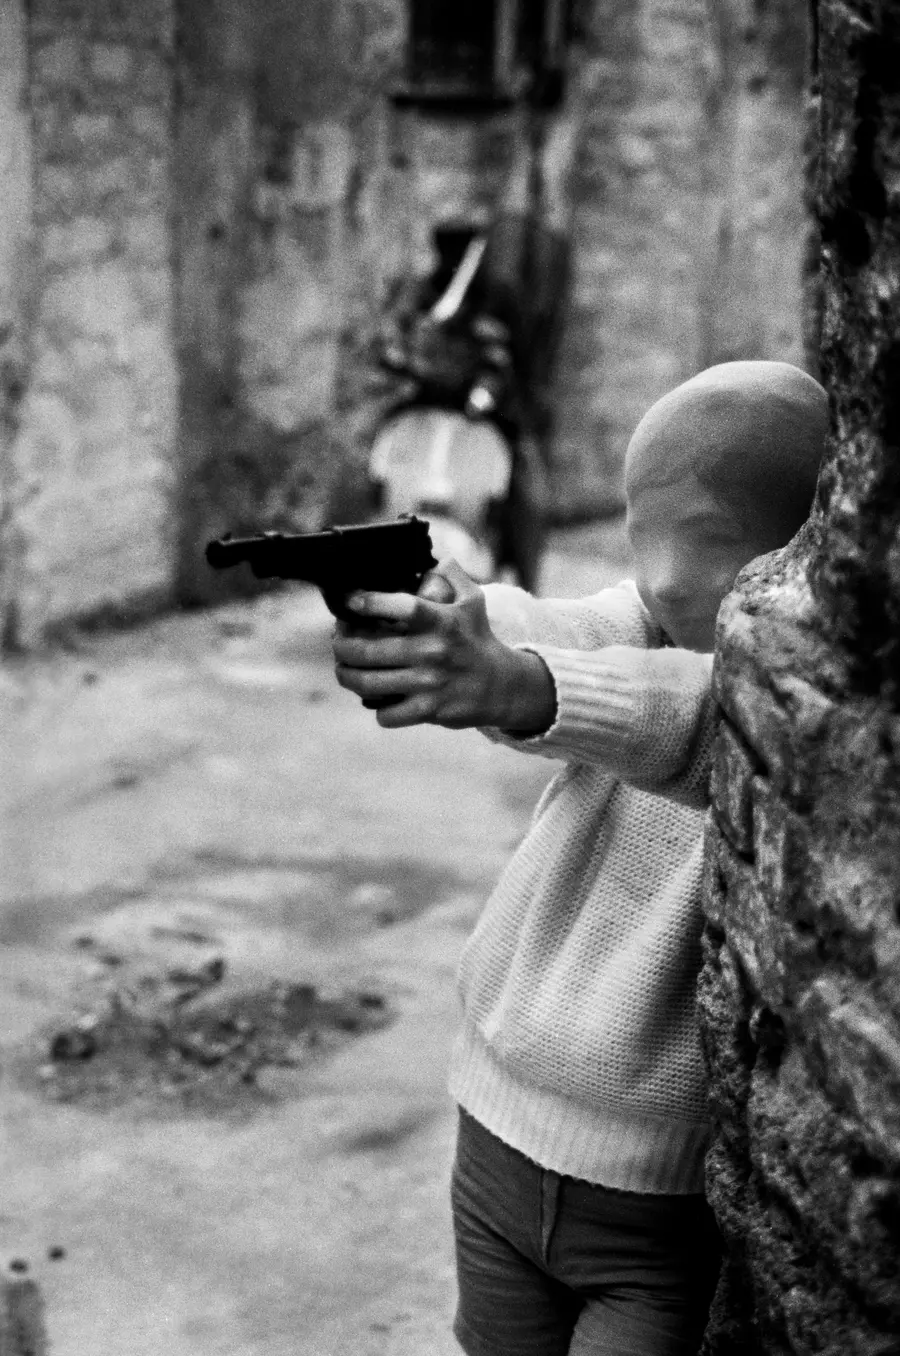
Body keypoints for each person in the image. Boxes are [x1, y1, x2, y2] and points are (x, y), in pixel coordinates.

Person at [332, 360, 828, 1356]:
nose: (655, 577)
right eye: (642, 537)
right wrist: (461, 621)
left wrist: (515, 686)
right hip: (494, 1131)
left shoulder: (791, 703)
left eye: (692, 540)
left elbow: (686, 715)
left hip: (654, 1203)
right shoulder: (648, 618)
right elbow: (562, 633)